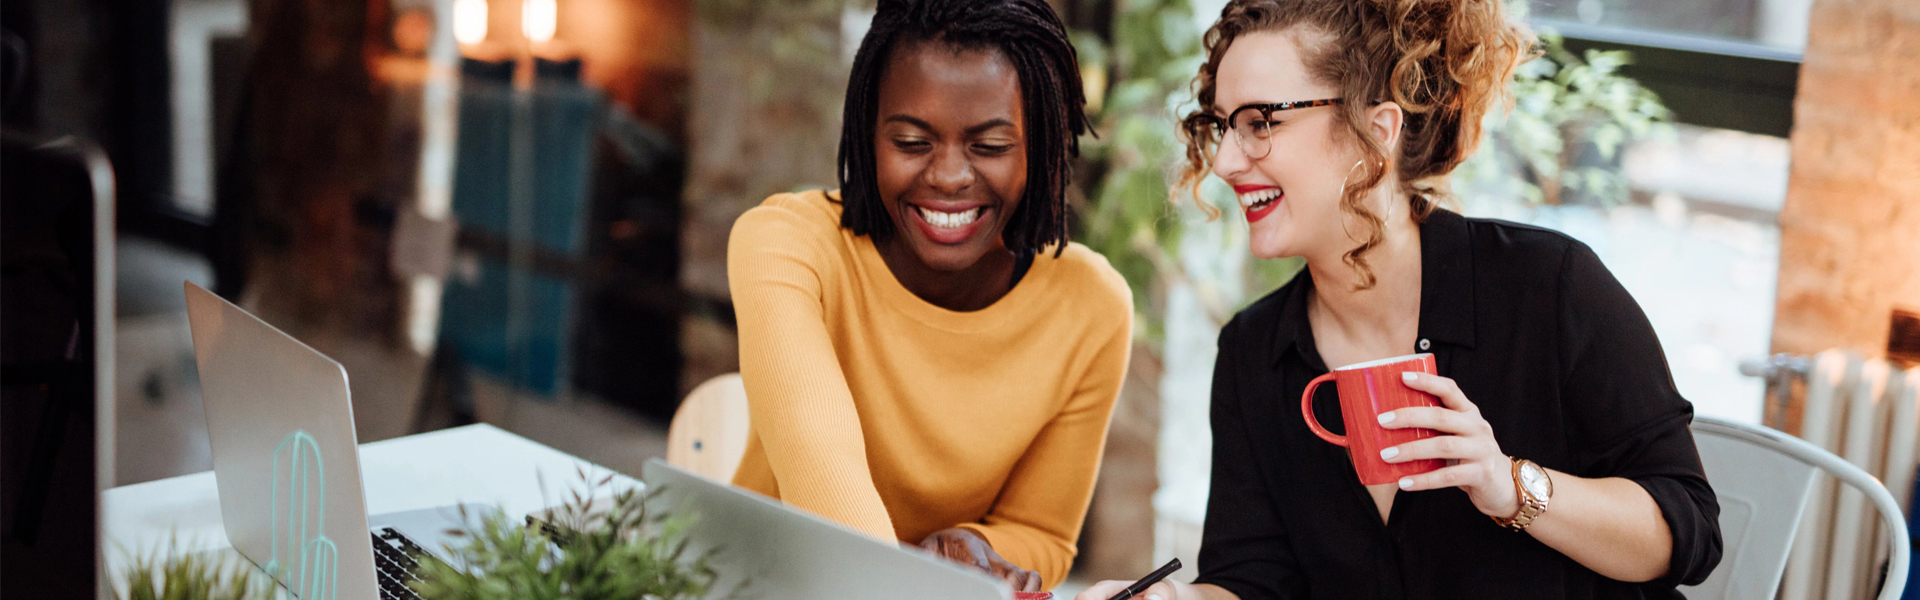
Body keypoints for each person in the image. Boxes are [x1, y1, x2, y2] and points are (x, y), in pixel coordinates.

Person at [1078, 0, 1722, 598]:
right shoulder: (1255, 349)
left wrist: (1509, 484)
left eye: (1259, 123)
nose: (1223, 162)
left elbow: (1687, 532)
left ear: (1375, 131)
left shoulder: (1549, 286)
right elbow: (1252, 580)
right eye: (1222, 126)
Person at [725, 0, 1132, 591]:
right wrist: (910, 574)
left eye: (990, 146)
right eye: (912, 142)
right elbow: (824, 468)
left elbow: (1041, 534)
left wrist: (980, 547)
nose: (947, 177)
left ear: (1041, 146)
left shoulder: (1090, 309)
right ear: (868, 136)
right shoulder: (788, 247)